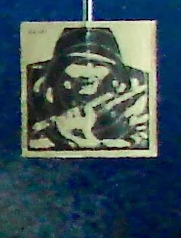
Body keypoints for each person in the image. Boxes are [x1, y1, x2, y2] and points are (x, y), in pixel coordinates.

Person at [25, 23, 152, 152]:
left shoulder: (137, 95)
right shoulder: (33, 90)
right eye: (79, 63)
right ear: (60, 68)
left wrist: (86, 141)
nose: (88, 74)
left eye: (98, 65)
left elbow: (140, 147)